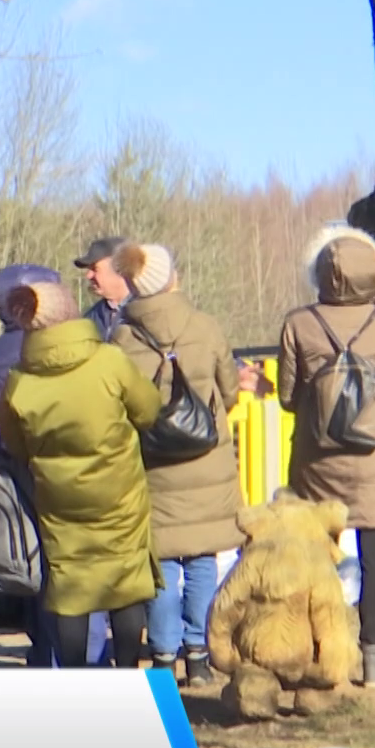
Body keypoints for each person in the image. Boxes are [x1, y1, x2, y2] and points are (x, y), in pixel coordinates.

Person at [0, 280, 162, 669]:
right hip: (120, 494)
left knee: (70, 588)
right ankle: (127, 672)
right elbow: (148, 410)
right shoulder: (110, 361)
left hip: (58, 500)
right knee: (126, 583)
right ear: (69, 311)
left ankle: (76, 679)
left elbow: (15, 446)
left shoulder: (19, 381)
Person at [279, 225, 375, 688]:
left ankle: (319, 654)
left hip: (319, 461)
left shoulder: (300, 323)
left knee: (318, 562)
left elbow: (287, 395)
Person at [109, 244, 246, 686]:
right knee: (203, 558)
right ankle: (199, 655)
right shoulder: (205, 327)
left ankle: (164, 656)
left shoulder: (122, 337)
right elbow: (228, 390)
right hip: (205, 460)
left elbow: (116, 403)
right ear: (172, 278)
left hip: (150, 465)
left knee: (162, 564)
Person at [0, 263, 66, 667]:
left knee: (30, 559)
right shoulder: (62, 345)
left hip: (14, 468)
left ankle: (43, 649)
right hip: (64, 464)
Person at [74, 236, 132, 342]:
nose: (88, 275)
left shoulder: (147, 313)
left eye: (95, 269)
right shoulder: (91, 317)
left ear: (119, 269)